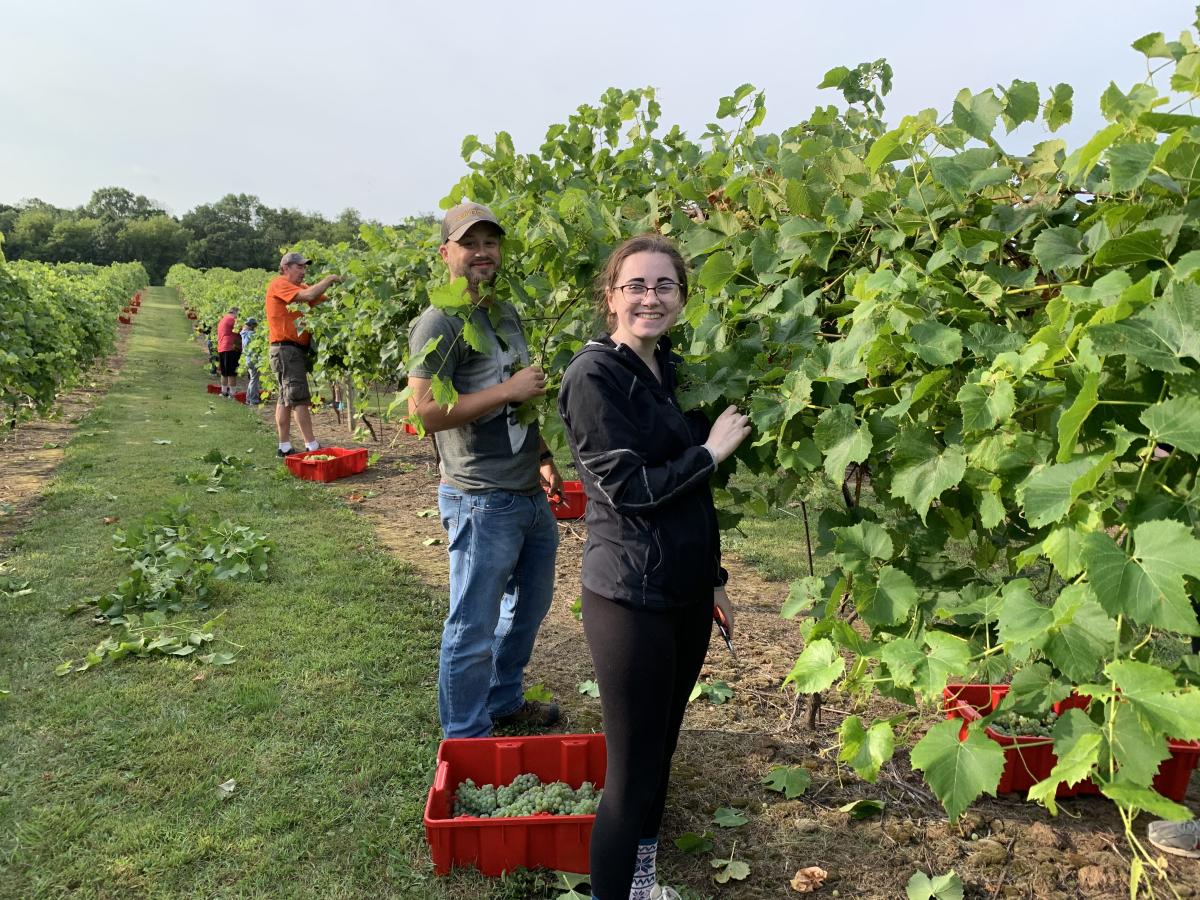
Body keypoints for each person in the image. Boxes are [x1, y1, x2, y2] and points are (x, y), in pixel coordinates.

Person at [557, 234, 751, 900]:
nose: (650, 298)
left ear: (681, 298)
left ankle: (641, 884)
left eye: (664, 286)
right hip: (630, 597)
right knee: (631, 773)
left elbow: (691, 500)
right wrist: (712, 452)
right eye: (636, 285)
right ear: (609, 297)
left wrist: (713, 579)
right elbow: (629, 488)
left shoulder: (670, 368)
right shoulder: (593, 376)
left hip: (685, 590)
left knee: (661, 752)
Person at [407, 202, 562, 739]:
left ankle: (503, 699)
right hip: (480, 497)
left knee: (528, 610)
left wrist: (541, 455)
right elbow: (422, 413)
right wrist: (507, 390)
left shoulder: (502, 313)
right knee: (472, 624)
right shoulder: (439, 321)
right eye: (469, 243)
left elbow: (522, 399)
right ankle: (466, 735)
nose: (482, 253)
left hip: (526, 491)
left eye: (490, 243)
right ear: (446, 252)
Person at [265, 252, 342, 457]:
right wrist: (329, 279)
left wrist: (344, 289)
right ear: (286, 267)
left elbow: (322, 300)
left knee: (285, 399)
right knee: (299, 398)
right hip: (286, 350)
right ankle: (312, 446)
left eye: (304, 267)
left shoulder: (301, 287)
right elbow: (308, 297)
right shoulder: (279, 284)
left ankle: (284, 446)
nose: (303, 271)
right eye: (300, 267)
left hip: (289, 350)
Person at [216, 306, 241, 398]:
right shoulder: (232, 319)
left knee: (224, 372)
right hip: (231, 347)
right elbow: (241, 330)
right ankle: (232, 393)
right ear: (235, 313)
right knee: (231, 372)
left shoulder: (223, 319)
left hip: (222, 347)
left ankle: (224, 392)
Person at [240, 317, 260, 405]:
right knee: (254, 380)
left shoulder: (244, 333)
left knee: (252, 379)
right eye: (255, 325)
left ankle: (248, 399)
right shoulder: (251, 334)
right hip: (253, 359)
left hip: (248, 358)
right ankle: (253, 400)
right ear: (251, 325)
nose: (255, 327)